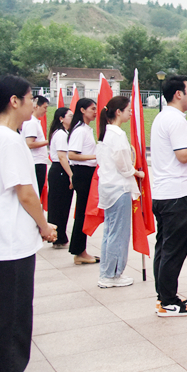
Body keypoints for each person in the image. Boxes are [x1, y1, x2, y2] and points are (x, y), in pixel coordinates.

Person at [0, 75, 59, 372]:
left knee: (4, 318)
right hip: (11, 244)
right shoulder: (8, 139)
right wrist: (44, 226)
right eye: (31, 98)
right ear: (14, 101)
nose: (35, 104)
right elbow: (26, 193)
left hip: (2, 241)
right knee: (13, 319)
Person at [150, 75, 187, 316]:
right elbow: (183, 155)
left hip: (164, 194)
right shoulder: (175, 120)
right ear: (178, 94)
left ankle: (164, 296)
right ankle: (168, 301)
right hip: (177, 195)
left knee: (164, 248)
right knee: (173, 251)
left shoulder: (163, 117)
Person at [95, 96, 144, 289]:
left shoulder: (106, 133)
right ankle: (112, 274)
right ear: (118, 112)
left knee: (110, 231)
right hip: (119, 188)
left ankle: (107, 272)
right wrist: (136, 172)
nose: (130, 113)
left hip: (109, 188)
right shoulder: (117, 135)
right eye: (128, 110)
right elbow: (123, 164)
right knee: (118, 233)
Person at [67, 98, 100, 265]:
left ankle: (80, 250)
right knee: (82, 213)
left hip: (87, 172)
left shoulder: (86, 129)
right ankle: (79, 251)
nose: (95, 112)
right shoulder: (80, 130)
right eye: (92, 109)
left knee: (83, 213)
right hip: (83, 173)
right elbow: (72, 155)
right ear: (82, 110)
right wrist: (95, 156)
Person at [46, 107, 74, 249]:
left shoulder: (64, 133)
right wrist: (71, 175)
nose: (72, 118)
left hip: (60, 170)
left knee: (62, 205)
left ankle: (59, 236)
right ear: (61, 118)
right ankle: (57, 236)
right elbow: (62, 157)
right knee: (59, 205)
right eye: (70, 116)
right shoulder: (61, 134)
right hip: (61, 170)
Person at [21, 96, 49, 197]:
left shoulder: (35, 122)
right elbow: (29, 143)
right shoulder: (32, 123)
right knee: (36, 193)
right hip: (36, 162)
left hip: (38, 162)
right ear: (36, 106)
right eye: (44, 107)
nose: (46, 111)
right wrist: (48, 141)